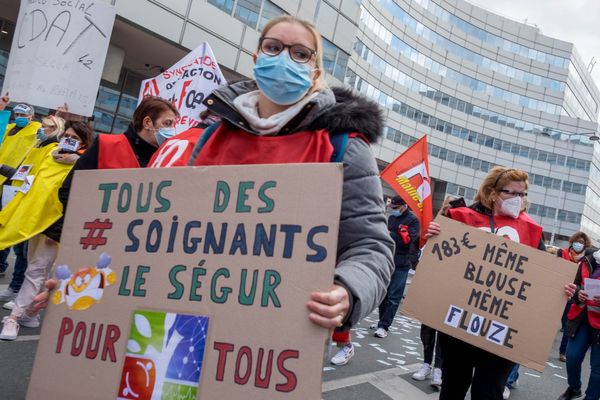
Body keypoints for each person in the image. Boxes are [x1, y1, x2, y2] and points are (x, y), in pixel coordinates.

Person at [33, 15, 395, 344]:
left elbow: (371, 248)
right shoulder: (207, 136)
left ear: (315, 71)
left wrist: (347, 291)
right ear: (257, 59)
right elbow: (152, 238)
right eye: (273, 47)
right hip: (180, 329)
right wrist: (82, 283)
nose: (283, 58)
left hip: (273, 337)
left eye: (300, 53)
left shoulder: (342, 145)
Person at [426, 167, 549, 400]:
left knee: (489, 391)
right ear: (492, 193)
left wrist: (561, 289)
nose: (518, 200)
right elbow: (440, 259)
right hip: (459, 323)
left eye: (522, 194)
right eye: (511, 193)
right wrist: (433, 233)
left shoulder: (532, 231)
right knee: (453, 386)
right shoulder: (462, 217)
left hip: (501, 330)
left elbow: (542, 276)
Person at [0, 121, 93, 340]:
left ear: (84, 142)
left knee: (36, 270)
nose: (68, 140)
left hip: (57, 225)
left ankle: (13, 318)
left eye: (74, 138)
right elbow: (28, 176)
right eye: (66, 135)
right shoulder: (50, 153)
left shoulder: (84, 164)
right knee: (35, 267)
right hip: (35, 220)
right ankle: (31, 313)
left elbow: (75, 196)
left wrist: (80, 161)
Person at [0, 102, 41, 300]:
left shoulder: (37, 130)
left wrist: (59, 116)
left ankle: (15, 285)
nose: (18, 117)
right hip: (2, 180)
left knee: (16, 237)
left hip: (16, 182)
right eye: (16, 113)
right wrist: (1, 109)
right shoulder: (9, 128)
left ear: (32, 116)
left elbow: (53, 133)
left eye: (23, 114)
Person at [370, 196, 420, 338]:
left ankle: (384, 326)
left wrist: (393, 234)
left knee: (394, 296)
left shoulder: (413, 220)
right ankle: (381, 321)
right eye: (392, 208)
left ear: (404, 206)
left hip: (402, 262)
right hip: (387, 259)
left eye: (396, 208)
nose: (393, 210)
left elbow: (410, 242)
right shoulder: (392, 218)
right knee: (384, 294)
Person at [557, 248, 600, 400]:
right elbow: (574, 284)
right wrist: (578, 292)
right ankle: (574, 388)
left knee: (597, 368)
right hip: (582, 318)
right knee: (572, 356)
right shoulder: (590, 258)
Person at [557, 232, 592, 362]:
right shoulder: (563, 253)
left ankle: (562, 352)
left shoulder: (586, 260)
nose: (579, 244)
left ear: (585, 245)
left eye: (582, 243)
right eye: (577, 241)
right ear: (572, 241)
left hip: (572, 296)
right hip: (558, 291)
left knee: (567, 326)